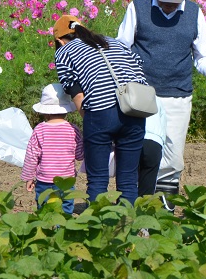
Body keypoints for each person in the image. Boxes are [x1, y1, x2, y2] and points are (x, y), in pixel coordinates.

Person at [117, 0, 206, 209]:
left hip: (178, 95)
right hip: (141, 95)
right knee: (143, 151)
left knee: (173, 157)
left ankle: (165, 208)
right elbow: (122, 49)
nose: (168, 5)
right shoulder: (138, 7)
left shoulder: (194, 13)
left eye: (174, 1)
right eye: (165, 0)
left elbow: (203, 55)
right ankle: (136, 204)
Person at [54, 14, 147, 204]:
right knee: (129, 181)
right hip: (135, 110)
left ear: (59, 40)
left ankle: (98, 229)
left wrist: (90, 122)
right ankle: (129, 227)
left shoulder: (65, 51)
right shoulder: (113, 42)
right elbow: (138, 66)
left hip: (100, 111)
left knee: (97, 180)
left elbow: (75, 90)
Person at [20, 83, 84, 214]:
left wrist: (29, 177)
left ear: (45, 111)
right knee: (65, 208)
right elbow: (79, 155)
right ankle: (62, 230)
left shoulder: (39, 129)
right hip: (66, 180)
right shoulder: (72, 130)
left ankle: (45, 230)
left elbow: (32, 156)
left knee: (44, 209)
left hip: (44, 179)